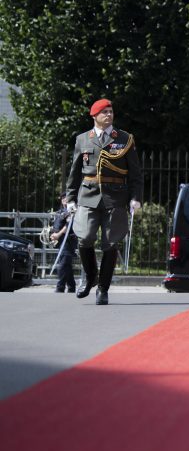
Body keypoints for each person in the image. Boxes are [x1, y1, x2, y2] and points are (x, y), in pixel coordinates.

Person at [65, 98, 142, 305]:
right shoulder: (83, 139)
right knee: (84, 237)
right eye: (104, 112)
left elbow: (135, 173)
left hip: (115, 197)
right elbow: (75, 171)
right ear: (94, 116)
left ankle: (103, 289)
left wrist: (135, 197)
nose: (109, 115)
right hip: (88, 195)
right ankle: (91, 276)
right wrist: (70, 197)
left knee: (111, 242)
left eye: (111, 111)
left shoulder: (124, 139)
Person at [49, 198, 77, 293]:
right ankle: (71, 287)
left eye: (67, 197)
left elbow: (69, 224)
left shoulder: (72, 210)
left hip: (68, 241)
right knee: (66, 265)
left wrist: (58, 234)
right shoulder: (60, 212)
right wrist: (53, 234)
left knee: (63, 264)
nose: (65, 199)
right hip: (60, 242)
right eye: (63, 197)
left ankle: (60, 287)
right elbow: (56, 225)